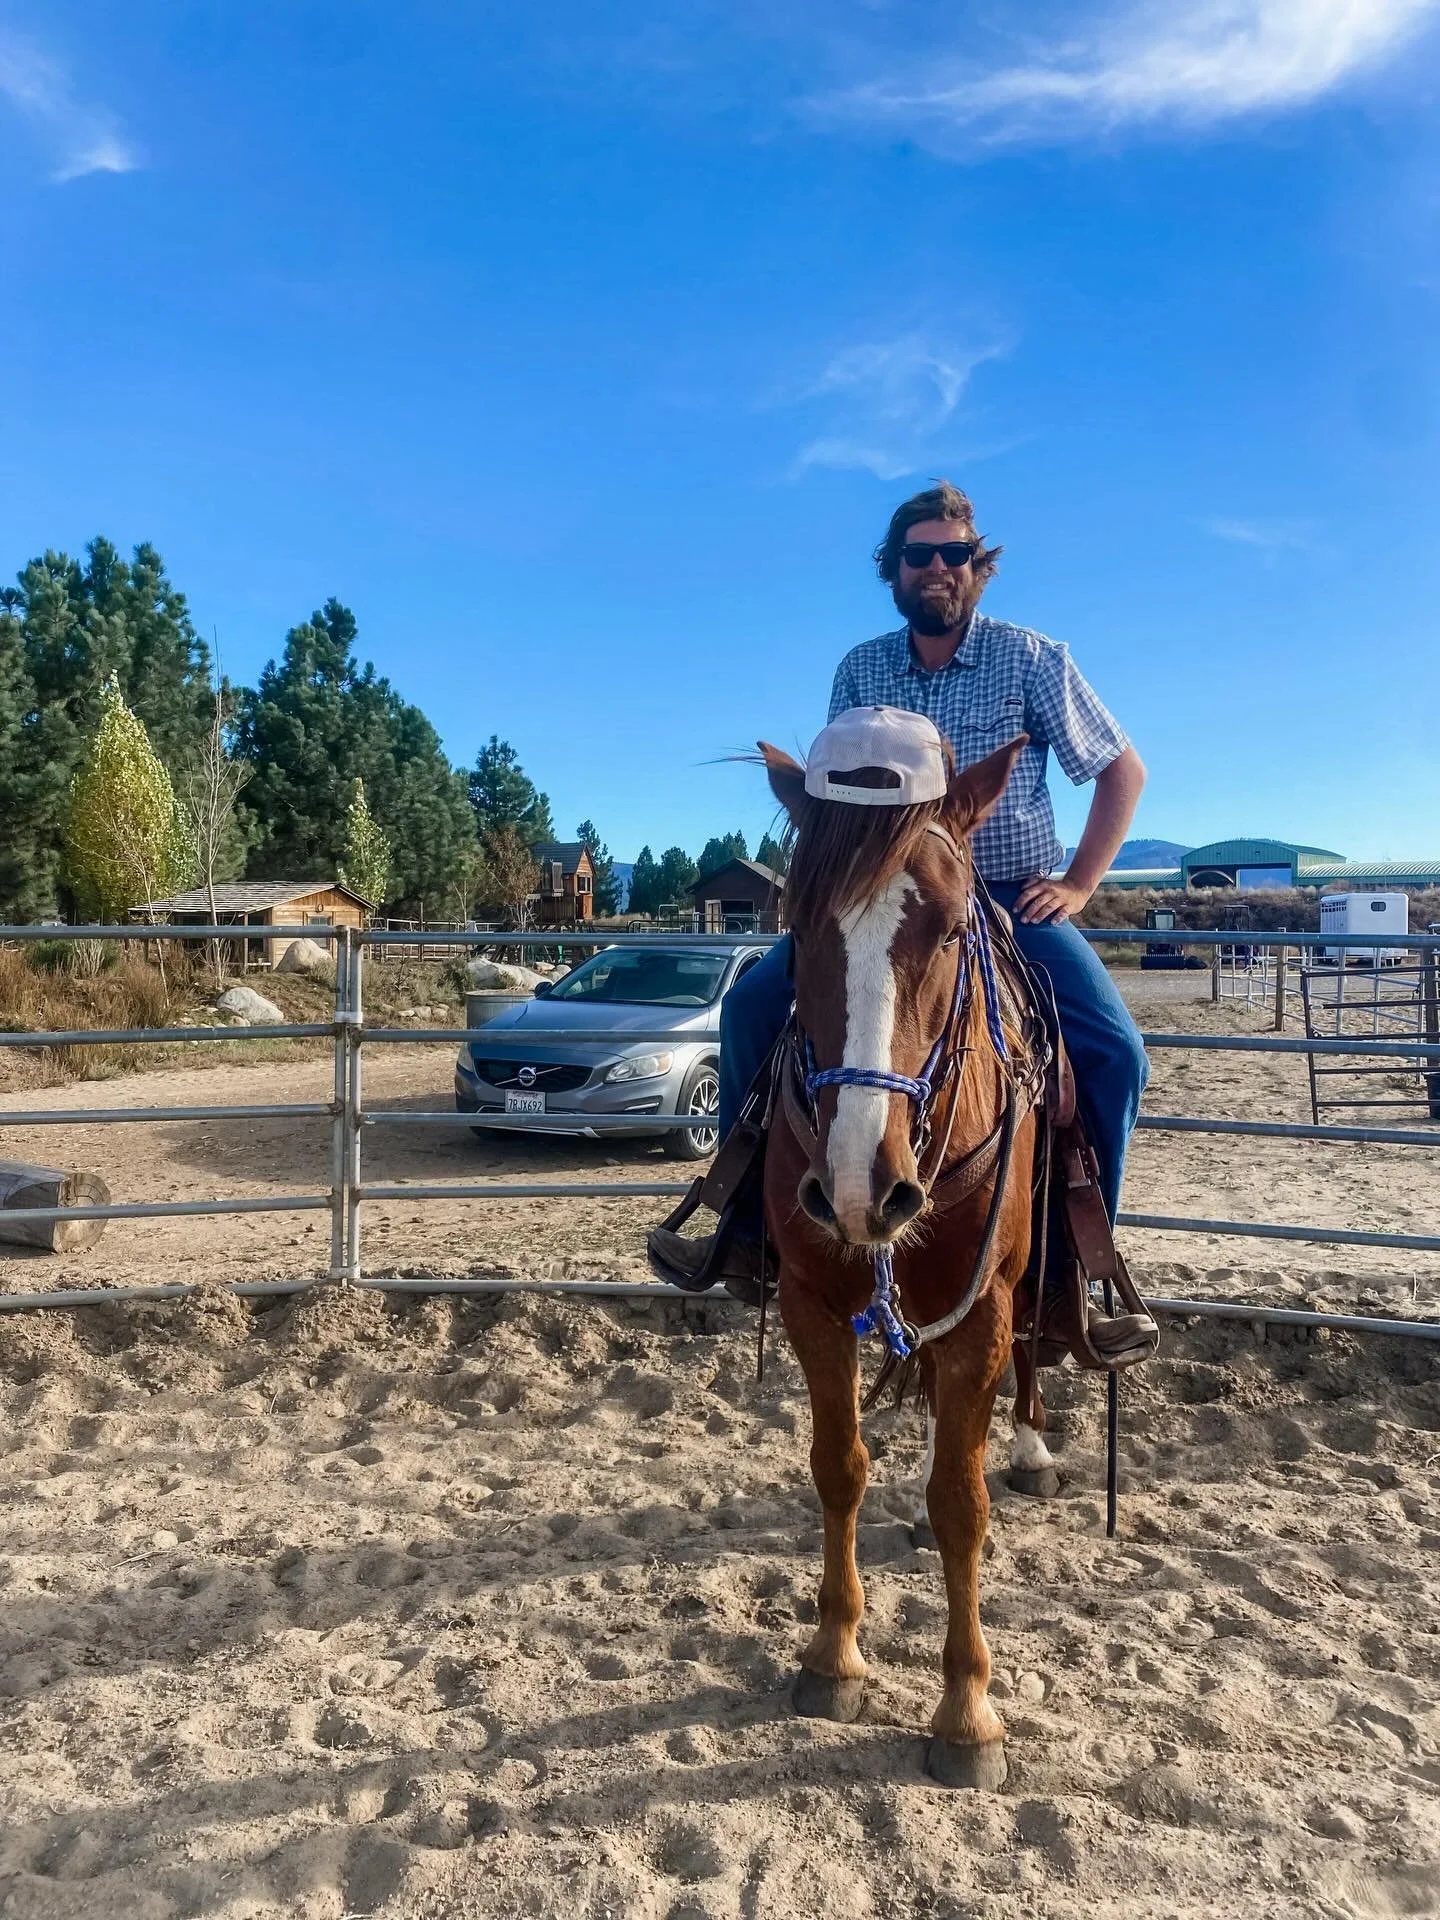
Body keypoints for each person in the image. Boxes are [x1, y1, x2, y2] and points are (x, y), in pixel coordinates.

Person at [649, 479, 1151, 1301]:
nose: (938, 568)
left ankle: (1079, 1265)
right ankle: (745, 1222)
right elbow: (839, 806)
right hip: (878, 901)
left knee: (1113, 1052)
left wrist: (1079, 883)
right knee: (748, 1009)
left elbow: (1121, 769)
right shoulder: (862, 669)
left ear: (977, 568)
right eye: (919, 555)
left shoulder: (1032, 658)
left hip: (1009, 894)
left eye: (955, 554)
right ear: (895, 571)